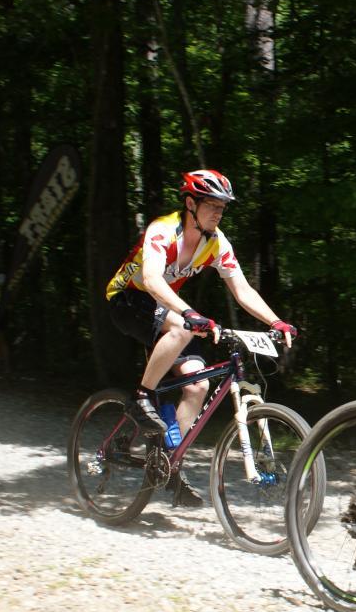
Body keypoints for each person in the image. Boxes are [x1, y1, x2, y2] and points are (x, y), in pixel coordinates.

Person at [105, 169, 297, 506]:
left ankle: (167, 461)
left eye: (223, 208)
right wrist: (189, 313)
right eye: (212, 205)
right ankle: (141, 397)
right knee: (182, 325)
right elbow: (150, 279)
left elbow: (242, 289)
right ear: (191, 203)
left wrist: (276, 320)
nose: (219, 213)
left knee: (198, 385)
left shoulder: (216, 242)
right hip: (127, 298)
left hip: (166, 309)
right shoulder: (164, 229)